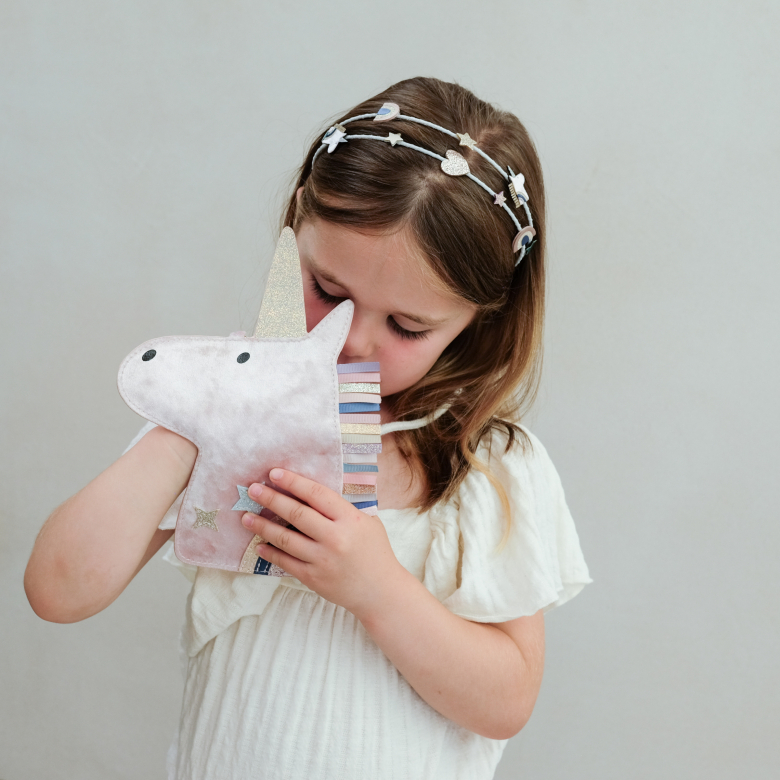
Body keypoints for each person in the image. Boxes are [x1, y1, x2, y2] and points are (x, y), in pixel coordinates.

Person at [24, 76, 592, 779]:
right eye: (327, 289)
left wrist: (376, 588)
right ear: (296, 226)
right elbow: (59, 588)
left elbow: (506, 701)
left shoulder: (490, 467)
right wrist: (198, 424)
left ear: (480, 318)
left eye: (407, 326)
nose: (353, 339)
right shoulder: (229, 407)